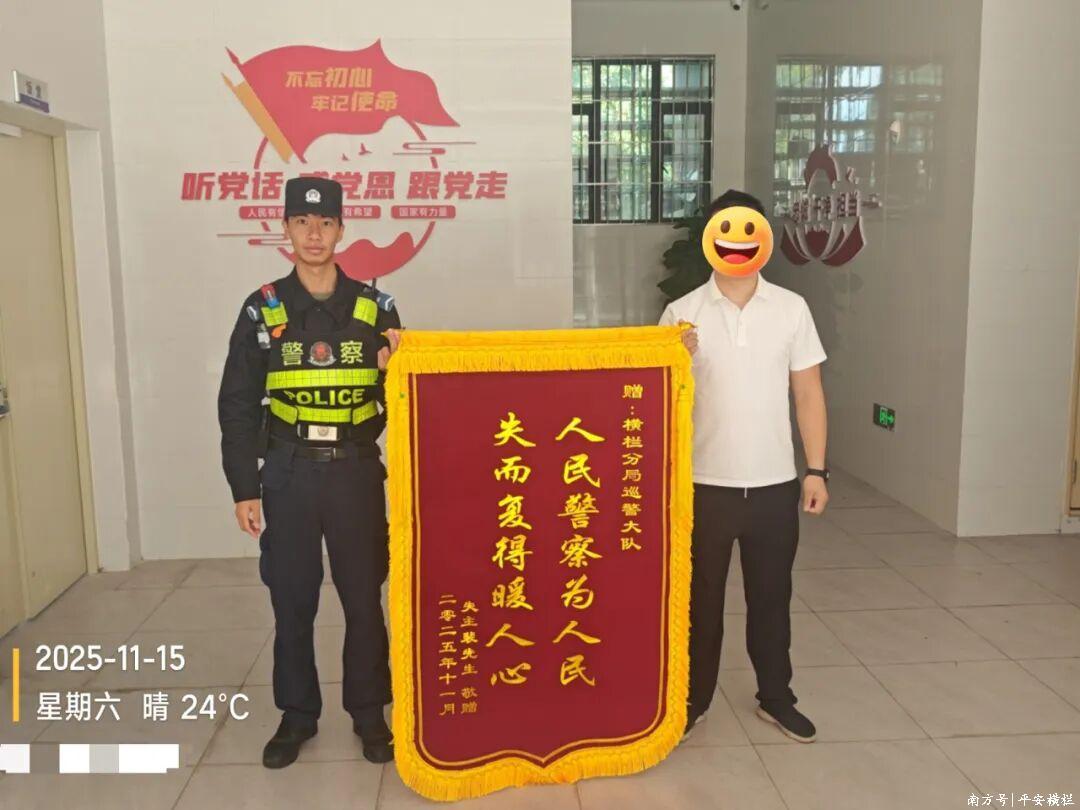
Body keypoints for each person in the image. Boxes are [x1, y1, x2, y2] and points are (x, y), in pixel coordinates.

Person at [217, 176, 402, 768]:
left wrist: (396, 371)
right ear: (286, 229)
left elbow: (405, 399)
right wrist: (244, 486)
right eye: (302, 222)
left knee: (363, 600)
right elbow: (237, 402)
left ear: (342, 229)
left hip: (355, 473)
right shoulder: (262, 308)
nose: (314, 234)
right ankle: (297, 715)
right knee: (292, 601)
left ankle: (369, 712)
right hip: (289, 474)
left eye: (325, 223)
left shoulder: (377, 308)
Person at [661, 189, 829, 743]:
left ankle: (776, 697)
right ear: (711, 240)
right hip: (702, 485)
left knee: (771, 598)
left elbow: (808, 392)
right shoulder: (681, 314)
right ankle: (692, 701)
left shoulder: (791, 308)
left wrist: (816, 470)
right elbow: (659, 400)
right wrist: (675, 359)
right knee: (699, 602)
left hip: (775, 485)